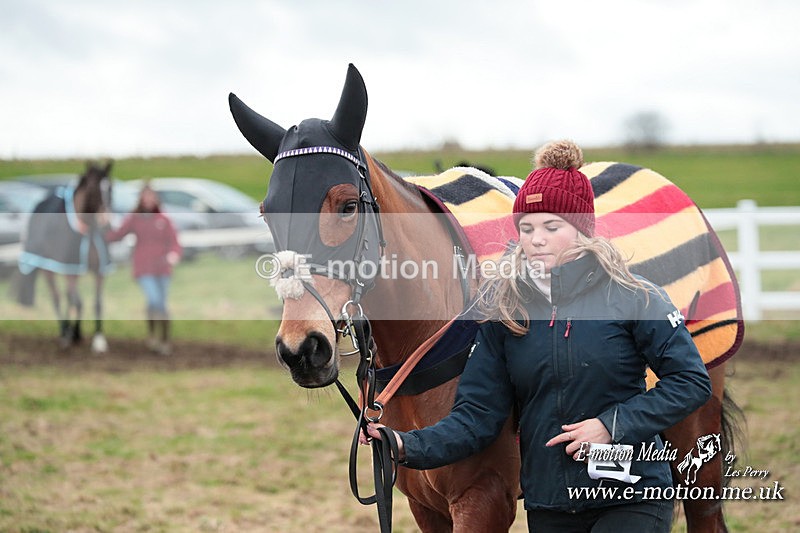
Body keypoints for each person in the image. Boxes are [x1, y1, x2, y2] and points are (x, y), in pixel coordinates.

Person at [364, 140, 712, 532]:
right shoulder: (504, 313)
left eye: (551, 226)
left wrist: (612, 425)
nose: (536, 239)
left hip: (630, 493)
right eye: (526, 228)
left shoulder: (635, 296)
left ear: (582, 230)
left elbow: (690, 382)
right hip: (552, 504)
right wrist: (405, 444)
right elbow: (477, 417)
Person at [106, 182, 181, 355]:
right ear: (141, 199)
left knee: (161, 304)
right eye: (145, 196)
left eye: (151, 196)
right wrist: (103, 227)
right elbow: (117, 235)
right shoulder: (135, 218)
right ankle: (153, 335)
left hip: (162, 268)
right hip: (144, 268)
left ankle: (164, 340)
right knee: (155, 300)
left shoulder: (164, 219)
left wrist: (173, 255)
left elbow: (174, 242)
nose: (148, 200)